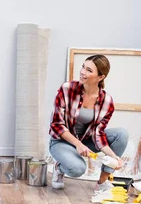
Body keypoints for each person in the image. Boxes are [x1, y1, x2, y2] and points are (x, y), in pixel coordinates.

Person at [48, 54, 128, 192]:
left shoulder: (107, 102)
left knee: (121, 134)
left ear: (100, 77)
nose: (83, 72)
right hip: (61, 141)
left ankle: (102, 182)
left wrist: (114, 157)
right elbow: (56, 125)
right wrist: (78, 145)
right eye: (83, 67)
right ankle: (59, 167)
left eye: (89, 70)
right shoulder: (67, 89)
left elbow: (99, 135)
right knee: (77, 169)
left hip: (87, 141)